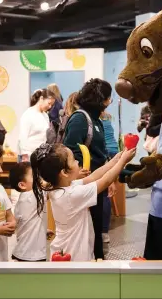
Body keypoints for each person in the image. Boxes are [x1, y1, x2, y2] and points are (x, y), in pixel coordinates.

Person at [31, 143, 136, 261]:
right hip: (74, 255)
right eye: (74, 160)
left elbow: (93, 177)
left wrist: (115, 160)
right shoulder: (71, 195)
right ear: (64, 173)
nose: (77, 162)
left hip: (65, 251)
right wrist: (122, 162)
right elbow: (105, 181)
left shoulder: (62, 188)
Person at [63, 79, 113, 260]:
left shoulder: (97, 121)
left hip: (97, 183)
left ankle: (98, 260)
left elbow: (101, 152)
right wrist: (89, 173)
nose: (110, 102)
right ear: (103, 100)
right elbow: (69, 150)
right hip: (85, 185)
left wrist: (109, 178)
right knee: (88, 228)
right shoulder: (80, 118)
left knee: (97, 226)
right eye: (109, 98)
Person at [9, 162, 49, 262]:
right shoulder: (34, 195)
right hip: (32, 254)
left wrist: (43, 230)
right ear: (22, 185)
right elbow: (52, 185)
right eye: (34, 176)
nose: (39, 178)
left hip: (23, 251)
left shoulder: (22, 200)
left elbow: (26, 223)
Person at [18, 89, 56, 161]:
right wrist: (24, 155)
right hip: (28, 155)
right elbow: (22, 137)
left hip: (41, 155)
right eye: (49, 103)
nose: (50, 107)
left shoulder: (45, 116)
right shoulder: (28, 114)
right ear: (41, 98)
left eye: (52, 105)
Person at [100, 111, 119, 243]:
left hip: (106, 153)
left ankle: (103, 231)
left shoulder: (96, 121)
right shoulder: (108, 118)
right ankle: (104, 231)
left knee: (103, 191)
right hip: (114, 151)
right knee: (107, 190)